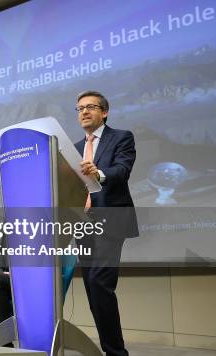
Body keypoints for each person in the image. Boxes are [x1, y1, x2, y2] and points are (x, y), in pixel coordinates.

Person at [74, 90, 138, 356]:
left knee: (100, 282)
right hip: (82, 223)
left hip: (110, 219)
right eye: (79, 109)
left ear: (105, 112)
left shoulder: (121, 137)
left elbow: (122, 171)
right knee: (93, 288)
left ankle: (116, 353)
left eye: (90, 107)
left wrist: (97, 173)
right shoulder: (75, 148)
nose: (84, 112)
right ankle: (111, 350)